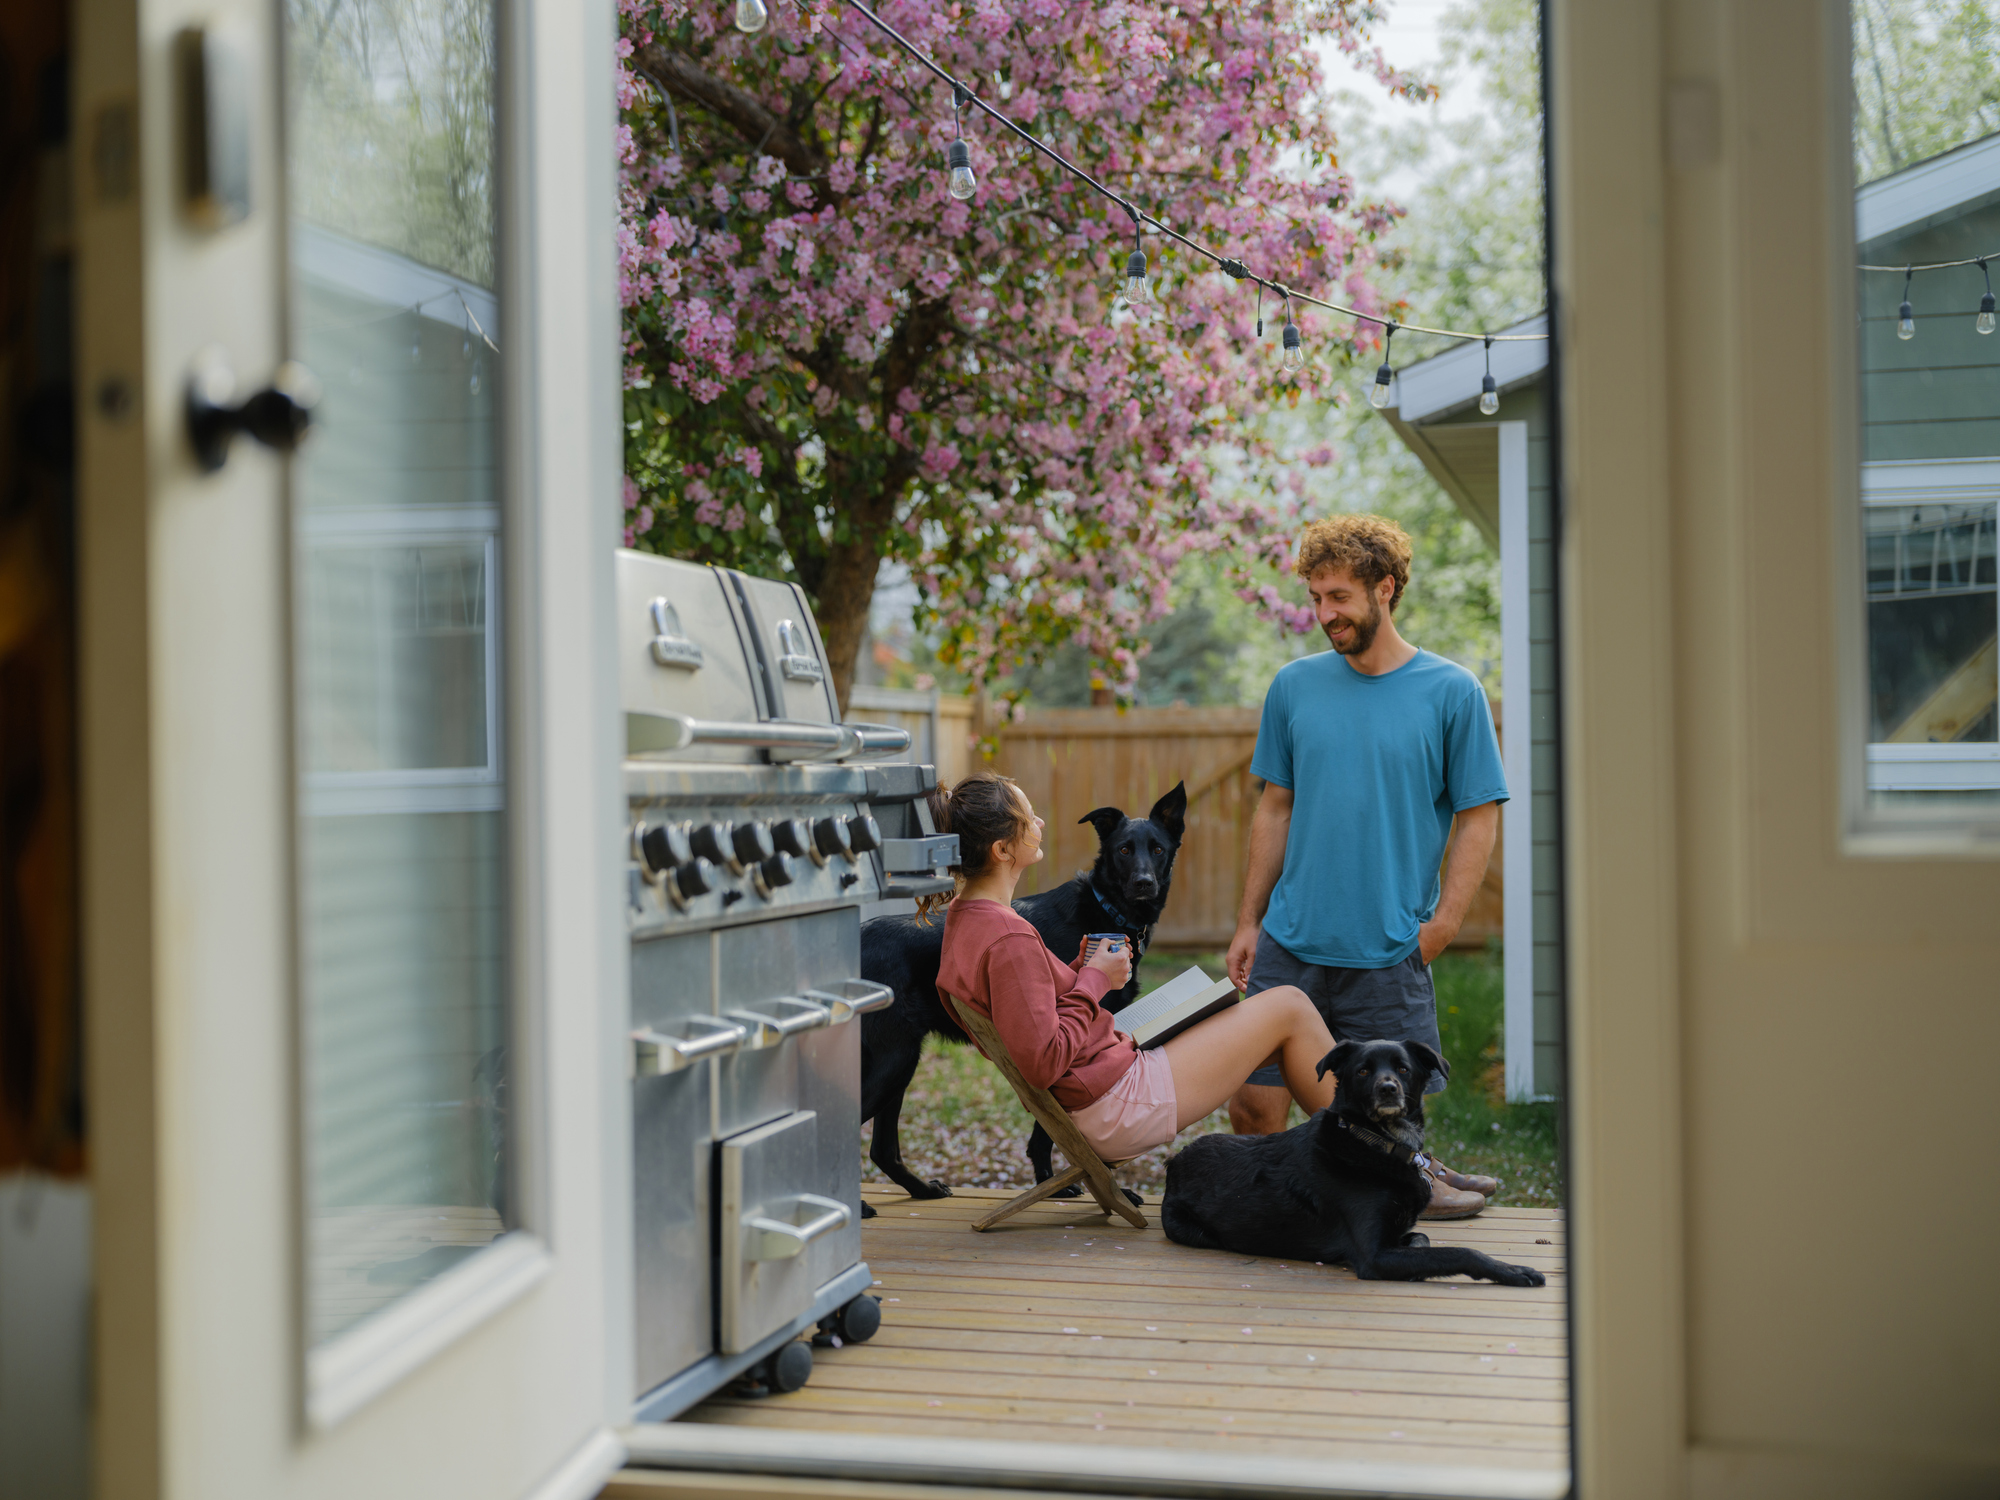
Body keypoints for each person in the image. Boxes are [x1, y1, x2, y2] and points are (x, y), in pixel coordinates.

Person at [1225, 514, 1506, 1220]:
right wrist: (1249, 921)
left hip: (1386, 950)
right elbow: (1275, 807)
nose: (1325, 615)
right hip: (1291, 940)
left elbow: (1479, 814)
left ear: (1385, 589)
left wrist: (1442, 923)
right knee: (1253, 1109)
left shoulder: (1452, 692)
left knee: (1386, 1127)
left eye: (1339, 597)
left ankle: (1414, 1190)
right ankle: (1292, 1219)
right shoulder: (1294, 686)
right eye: (1316, 598)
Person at [929, 772, 1339, 1167]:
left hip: (1100, 1083)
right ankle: (1365, 1147)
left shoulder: (968, 917)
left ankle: (1349, 1148)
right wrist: (1096, 979)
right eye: (1028, 817)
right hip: (1113, 1104)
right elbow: (1043, 1060)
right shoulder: (1009, 939)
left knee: (1263, 1015)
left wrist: (1082, 967)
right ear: (1002, 850)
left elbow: (1030, 1001)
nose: (1039, 822)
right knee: (1290, 1006)